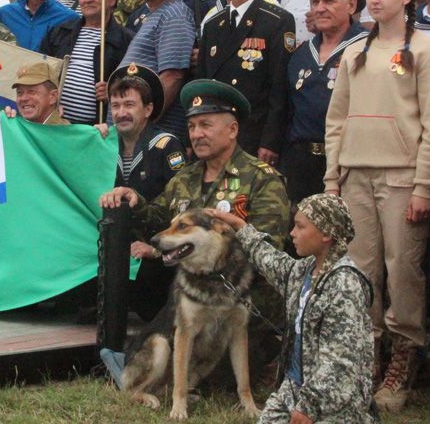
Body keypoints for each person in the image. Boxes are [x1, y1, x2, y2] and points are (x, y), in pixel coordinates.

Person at [324, 0, 430, 412]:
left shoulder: (428, 51)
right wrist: (332, 178)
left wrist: (424, 184)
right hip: (356, 173)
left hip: (402, 175)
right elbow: (336, 119)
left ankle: (403, 358)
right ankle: (368, 356)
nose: (376, 0)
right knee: (362, 271)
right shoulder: (355, 51)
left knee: (403, 270)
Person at [100, 80, 291, 366]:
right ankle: (137, 361)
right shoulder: (185, 179)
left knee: (205, 363)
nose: (197, 134)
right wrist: (135, 201)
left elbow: (268, 252)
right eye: (191, 127)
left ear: (232, 129)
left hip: (245, 299)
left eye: (206, 125)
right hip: (195, 294)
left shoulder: (262, 180)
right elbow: (159, 221)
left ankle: (143, 365)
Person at [208, 194, 377, 424]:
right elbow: (273, 262)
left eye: (300, 227)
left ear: (326, 234)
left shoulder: (345, 285)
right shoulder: (306, 269)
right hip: (294, 389)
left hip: (334, 400)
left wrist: (310, 406)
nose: (292, 233)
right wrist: (241, 227)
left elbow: (341, 362)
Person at [198, 0, 295, 164]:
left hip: (253, 134)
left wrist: (270, 141)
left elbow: (279, 88)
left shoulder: (276, 20)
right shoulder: (212, 24)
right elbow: (200, 84)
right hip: (215, 135)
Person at [100, 63, 186, 320]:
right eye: (115, 106)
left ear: (148, 109)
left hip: (154, 254)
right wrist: (88, 142)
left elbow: (180, 208)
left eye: (129, 105)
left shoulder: (166, 146)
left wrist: (154, 248)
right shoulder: (103, 145)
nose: (121, 113)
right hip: (114, 249)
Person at [281, 0, 367, 204]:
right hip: (301, 165)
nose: (320, 8)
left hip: (347, 163)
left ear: (351, 5)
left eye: (329, 1)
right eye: (315, 2)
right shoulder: (299, 54)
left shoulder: (367, 48)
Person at [117, 0, 196, 142]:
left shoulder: (174, 14)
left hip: (151, 137)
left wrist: (141, 129)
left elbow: (172, 77)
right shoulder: (155, 14)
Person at [40, 0, 132, 125]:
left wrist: (114, 91)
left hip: (98, 131)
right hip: (56, 125)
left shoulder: (127, 41)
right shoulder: (59, 33)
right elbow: (40, 73)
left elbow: (136, 88)